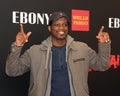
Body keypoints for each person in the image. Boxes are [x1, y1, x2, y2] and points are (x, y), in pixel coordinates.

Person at [6, 11, 111, 96]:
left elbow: (102, 65)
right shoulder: (35, 51)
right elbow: (12, 71)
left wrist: (104, 44)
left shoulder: (82, 48)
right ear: (49, 28)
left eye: (65, 25)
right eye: (57, 25)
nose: (62, 28)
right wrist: (17, 46)